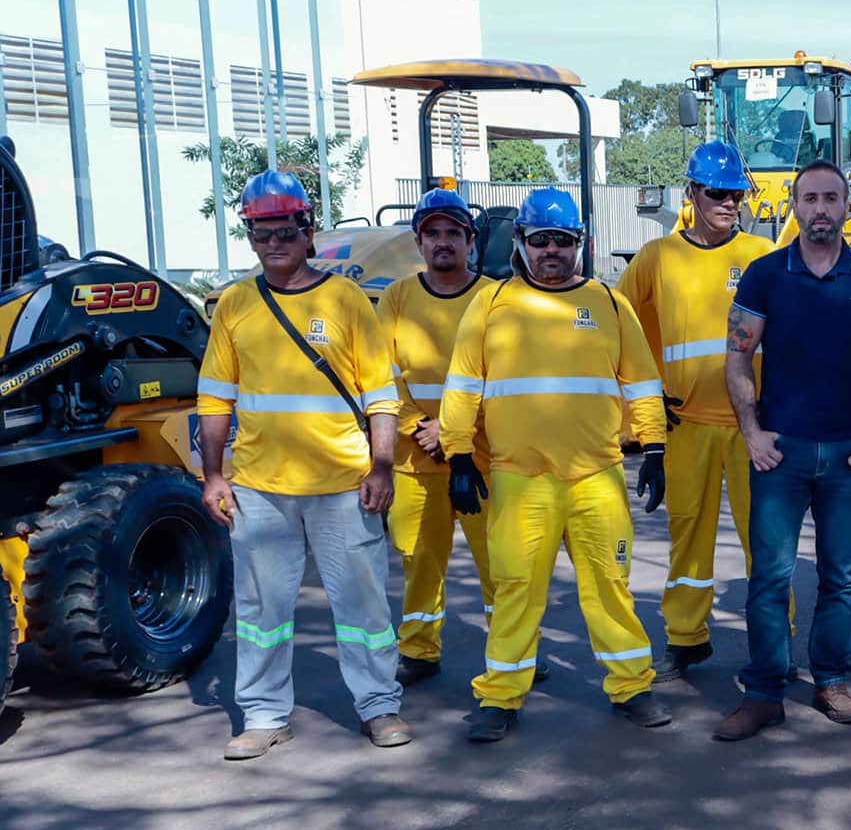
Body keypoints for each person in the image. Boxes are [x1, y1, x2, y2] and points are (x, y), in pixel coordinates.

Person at [439, 188, 672, 741]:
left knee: (610, 585)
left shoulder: (610, 305)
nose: (550, 250)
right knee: (516, 588)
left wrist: (656, 448)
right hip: (521, 479)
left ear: (580, 245)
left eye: (561, 241)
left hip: (597, 477)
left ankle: (632, 687)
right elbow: (463, 385)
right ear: (518, 243)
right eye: (539, 240)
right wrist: (456, 455)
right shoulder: (491, 304)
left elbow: (641, 383)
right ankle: (500, 697)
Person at [197, 171, 410, 760]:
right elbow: (215, 398)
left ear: (306, 230)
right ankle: (264, 715)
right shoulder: (236, 304)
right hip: (261, 488)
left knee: (364, 606)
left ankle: (379, 706)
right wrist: (214, 475)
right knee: (262, 612)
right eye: (259, 233)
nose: (272, 243)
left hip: (345, 483)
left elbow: (380, 395)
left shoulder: (344, 299)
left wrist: (383, 465)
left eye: (283, 230)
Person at [716, 160, 851, 741]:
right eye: (810, 199)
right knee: (770, 577)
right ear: (795, 206)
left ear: (848, 207)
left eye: (831, 198)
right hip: (782, 454)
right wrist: (752, 432)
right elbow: (737, 355)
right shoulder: (764, 274)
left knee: (840, 577)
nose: (821, 208)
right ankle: (765, 692)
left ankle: (831, 679)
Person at [617, 142, 774, 683]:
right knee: (688, 533)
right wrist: (644, 404)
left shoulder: (761, 254)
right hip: (686, 424)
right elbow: (620, 325)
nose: (730, 202)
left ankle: (772, 640)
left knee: (766, 537)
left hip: (754, 425)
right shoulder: (657, 258)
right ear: (692, 193)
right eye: (718, 193)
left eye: (737, 193)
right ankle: (687, 637)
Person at [378, 188, 497, 687]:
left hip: (485, 458)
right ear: (419, 241)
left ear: (470, 240)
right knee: (420, 562)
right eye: (433, 234)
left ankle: (515, 653)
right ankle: (419, 651)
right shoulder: (397, 298)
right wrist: (416, 427)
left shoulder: (494, 298)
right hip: (415, 459)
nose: (443, 243)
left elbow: (509, 378)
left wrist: (452, 431)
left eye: (453, 233)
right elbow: (378, 376)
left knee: (503, 565)